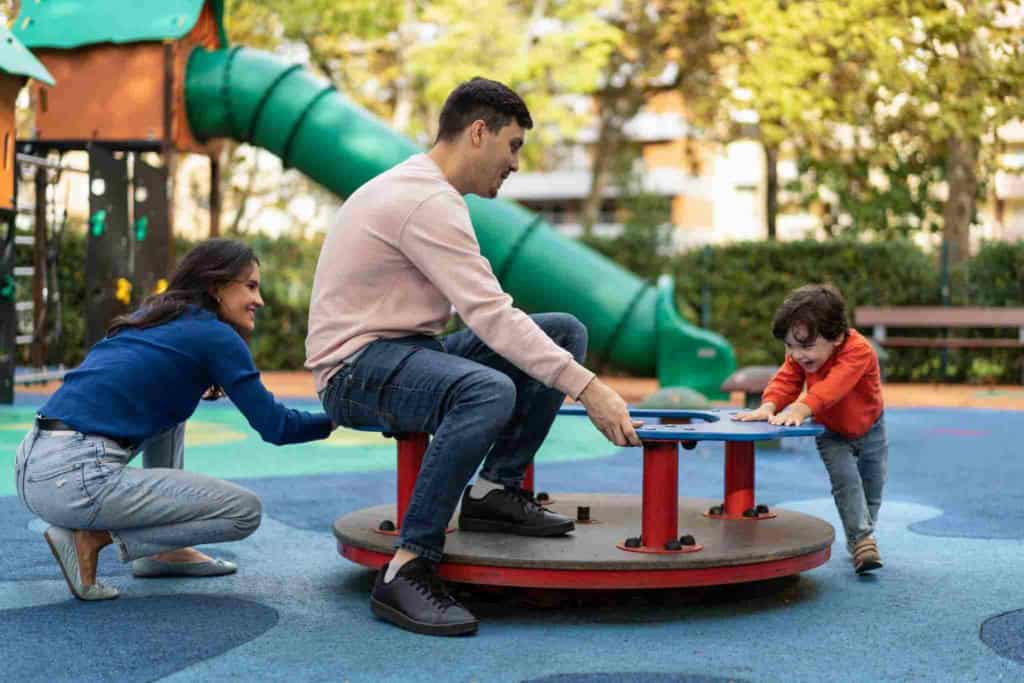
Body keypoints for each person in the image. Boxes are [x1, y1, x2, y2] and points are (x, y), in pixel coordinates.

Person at [306, 77, 641, 636]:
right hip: (355, 370)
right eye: (513, 147)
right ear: (479, 132)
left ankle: (493, 493)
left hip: (407, 350)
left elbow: (491, 319)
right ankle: (409, 566)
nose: (515, 165)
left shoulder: (428, 191)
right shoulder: (425, 200)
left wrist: (576, 376)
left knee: (563, 331)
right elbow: (491, 314)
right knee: (487, 389)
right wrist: (591, 388)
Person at [15, 239, 334, 601]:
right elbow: (278, 426)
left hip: (33, 464)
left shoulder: (153, 318)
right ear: (216, 287)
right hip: (76, 480)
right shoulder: (216, 336)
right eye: (250, 286)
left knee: (174, 407)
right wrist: (338, 417)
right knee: (244, 512)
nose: (259, 300)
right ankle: (91, 539)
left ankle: (161, 552)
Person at [734, 284, 887, 574]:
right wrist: (769, 405)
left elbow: (833, 387)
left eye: (804, 346)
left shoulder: (859, 352)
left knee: (873, 488)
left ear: (837, 336)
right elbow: (786, 379)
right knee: (846, 483)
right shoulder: (799, 358)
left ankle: (862, 532)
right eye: (790, 346)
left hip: (871, 428)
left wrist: (800, 409)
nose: (797, 355)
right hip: (831, 431)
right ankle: (862, 539)